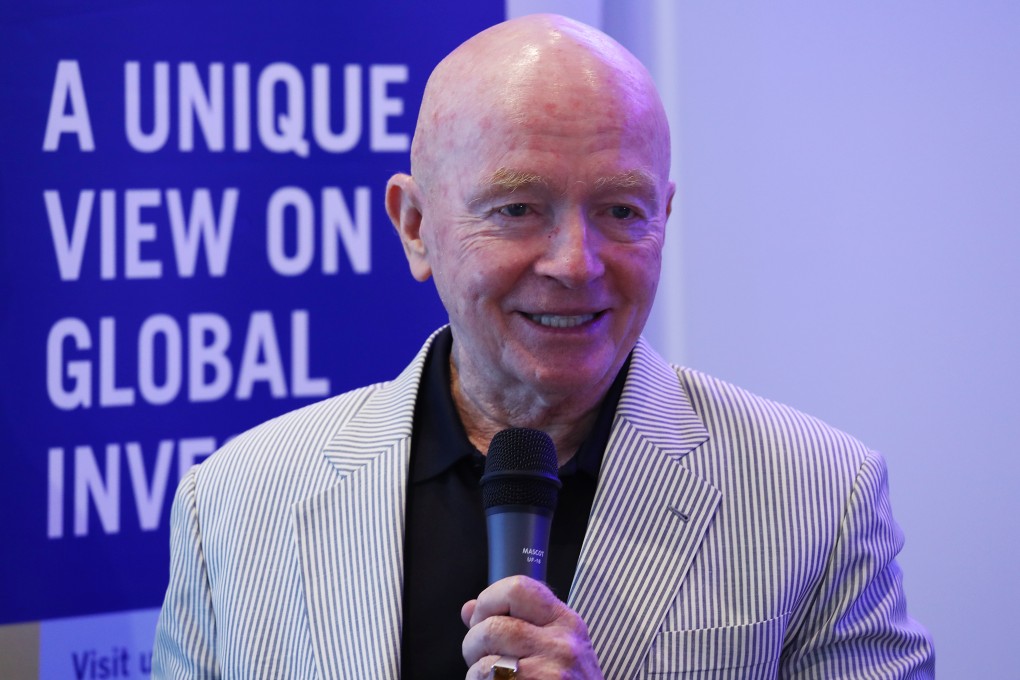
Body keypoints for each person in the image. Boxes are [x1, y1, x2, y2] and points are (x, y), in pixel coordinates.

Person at [152, 13, 934, 679]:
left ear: (666, 215)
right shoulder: (231, 504)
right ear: (415, 227)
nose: (576, 262)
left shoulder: (820, 498)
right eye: (518, 207)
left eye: (622, 212)